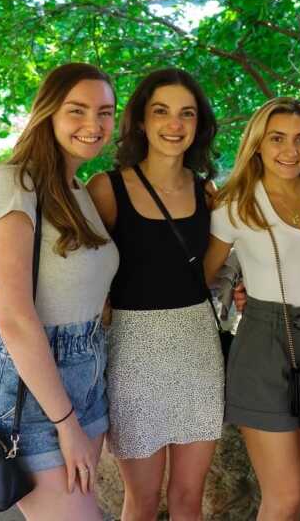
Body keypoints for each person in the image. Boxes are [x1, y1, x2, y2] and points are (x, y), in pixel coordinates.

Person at [0, 63, 119, 519]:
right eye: (77, 110)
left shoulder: (79, 189)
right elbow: (14, 319)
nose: (93, 125)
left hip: (87, 375)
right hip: (31, 392)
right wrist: (66, 424)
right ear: (48, 113)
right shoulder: (16, 183)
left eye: (105, 112)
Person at [87, 68, 223, 521]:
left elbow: (207, 275)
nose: (174, 124)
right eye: (160, 111)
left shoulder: (208, 193)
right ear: (141, 121)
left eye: (186, 113)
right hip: (133, 354)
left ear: (198, 124)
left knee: (189, 498)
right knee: (142, 502)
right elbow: (85, 277)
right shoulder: (107, 189)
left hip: (197, 350)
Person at [202, 97, 300, 521]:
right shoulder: (234, 202)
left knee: (296, 487)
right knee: (285, 495)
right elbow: (207, 276)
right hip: (264, 343)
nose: (290, 150)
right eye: (277, 138)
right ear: (257, 144)